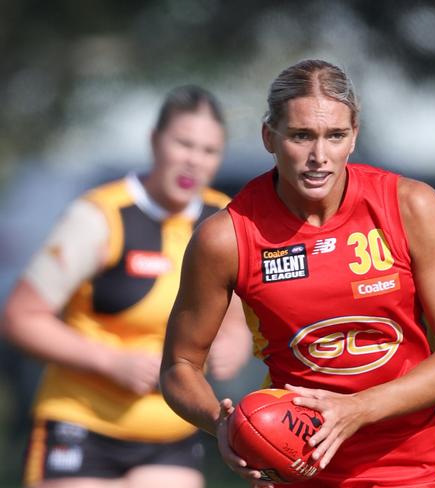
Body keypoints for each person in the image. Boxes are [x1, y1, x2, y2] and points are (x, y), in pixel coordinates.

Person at [159, 59, 435, 488]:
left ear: (354, 137)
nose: (319, 157)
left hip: (412, 467)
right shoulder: (226, 237)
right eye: (301, 136)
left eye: (335, 136)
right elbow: (179, 365)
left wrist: (360, 408)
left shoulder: (411, 207)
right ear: (268, 137)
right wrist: (223, 425)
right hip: (296, 465)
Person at [1, 84, 251, 488]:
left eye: (208, 151)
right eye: (183, 144)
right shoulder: (99, 216)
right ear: (155, 142)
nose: (194, 162)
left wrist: (235, 340)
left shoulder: (221, 217)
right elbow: (19, 319)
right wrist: (111, 362)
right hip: (81, 424)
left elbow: (233, 306)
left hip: (170, 433)